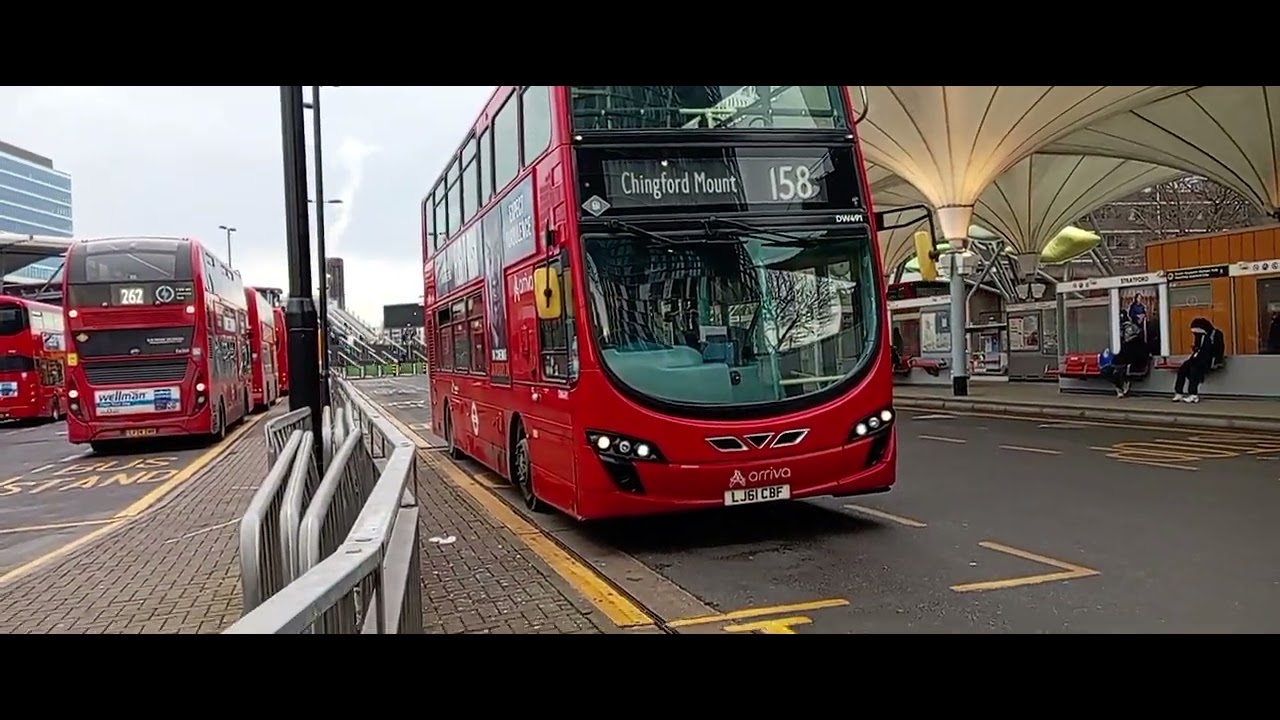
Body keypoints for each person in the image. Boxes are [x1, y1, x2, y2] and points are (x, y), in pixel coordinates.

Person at [1173, 317, 1215, 403]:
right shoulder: (1199, 337)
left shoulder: (1213, 335)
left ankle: (1193, 394)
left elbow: (1213, 350)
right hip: (1196, 358)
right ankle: (1178, 392)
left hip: (1205, 360)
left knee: (1194, 370)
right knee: (1182, 369)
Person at [1104, 317, 1149, 397]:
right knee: (1111, 370)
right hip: (1123, 362)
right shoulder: (1123, 344)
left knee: (1116, 371)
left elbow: (1137, 357)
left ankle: (1120, 387)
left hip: (1129, 363)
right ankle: (1120, 387)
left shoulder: (1135, 344)